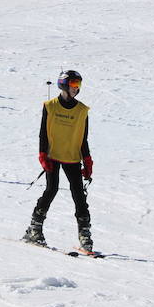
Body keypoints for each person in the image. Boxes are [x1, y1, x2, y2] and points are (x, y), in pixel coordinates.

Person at [22, 69, 96, 254]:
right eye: (73, 85)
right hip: (52, 156)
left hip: (72, 156)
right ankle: (35, 228)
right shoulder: (50, 106)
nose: (76, 89)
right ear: (63, 84)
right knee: (51, 189)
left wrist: (87, 160)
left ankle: (85, 236)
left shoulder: (81, 111)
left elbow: (83, 138)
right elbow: (43, 133)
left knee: (79, 194)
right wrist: (42, 154)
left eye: (78, 85)